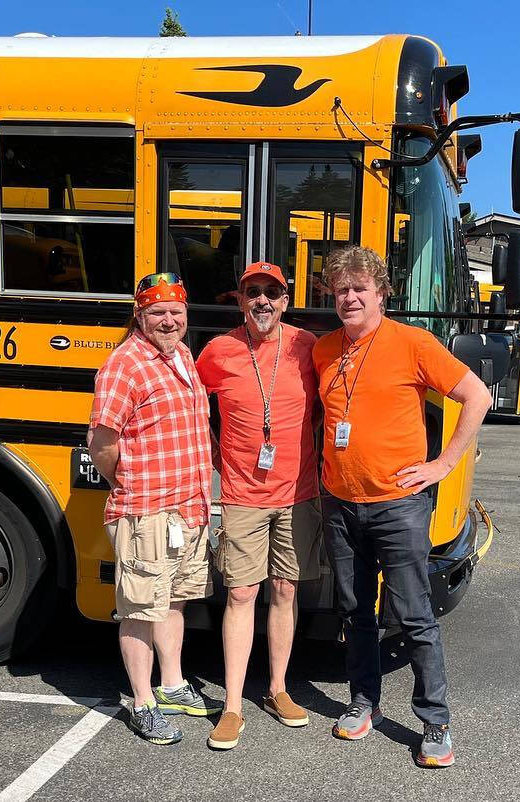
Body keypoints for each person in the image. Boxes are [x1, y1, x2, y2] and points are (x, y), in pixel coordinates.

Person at [313, 246, 492, 768]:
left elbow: (477, 396)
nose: (349, 297)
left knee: (414, 615)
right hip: (341, 503)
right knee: (354, 611)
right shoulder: (324, 349)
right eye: (341, 289)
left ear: (381, 293)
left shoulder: (412, 343)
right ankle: (363, 701)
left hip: (398, 507)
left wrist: (443, 464)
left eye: (359, 288)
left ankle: (435, 722)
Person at [88, 271, 220, 745]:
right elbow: (101, 441)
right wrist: (126, 483)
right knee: (141, 609)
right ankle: (143, 703)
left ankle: (172, 684)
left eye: (176, 311)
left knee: (172, 600)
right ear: (139, 315)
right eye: (158, 312)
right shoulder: (124, 365)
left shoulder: (181, 355)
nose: (169, 320)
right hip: (146, 511)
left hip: (186, 509)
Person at [196, 261, 322, 750]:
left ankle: (277, 689)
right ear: (241, 301)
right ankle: (232, 706)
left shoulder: (306, 346)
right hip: (242, 495)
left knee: (286, 590)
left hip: (298, 493)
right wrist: (213, 451)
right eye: (253, 292)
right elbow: (191, 404)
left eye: (272, 291)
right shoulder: (219, 351)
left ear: (285, 301)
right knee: (242, 594)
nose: (263, 300)